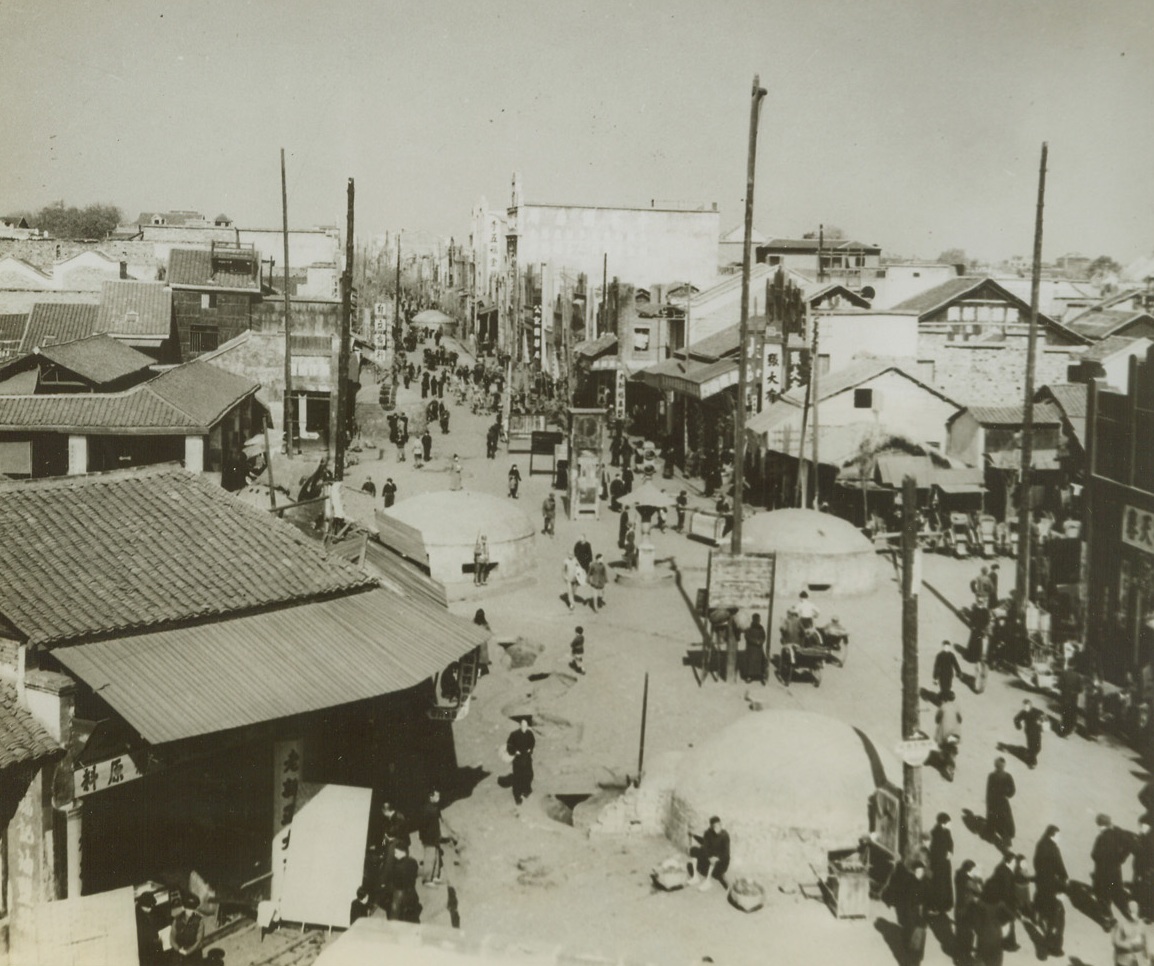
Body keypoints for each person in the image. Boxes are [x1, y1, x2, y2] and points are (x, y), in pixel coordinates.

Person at [1093, 813, 1134, 927]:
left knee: (1102, 895)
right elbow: (1129, 844)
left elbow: (1095, 855)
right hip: (1115, 871)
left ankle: (1108, 920)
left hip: (1102, 873)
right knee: (1118, 892)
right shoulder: (1117, 832)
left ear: (1101, 825)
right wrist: (1121, 858)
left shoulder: (1101, 838)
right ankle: (1129, 913)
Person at [1033, 825, 1068, 957]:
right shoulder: (1053, 849)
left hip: (1042, 885)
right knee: (1058, 919)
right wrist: (1064, 883)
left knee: (1049, 914)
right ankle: (1053, 947)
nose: (1059, 838)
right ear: (1053, 835)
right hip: (1053, 888)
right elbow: (1060, 867)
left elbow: (1036, 862)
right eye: (1058, 835)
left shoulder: (1040, 845)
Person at [887, 860, 929, 966]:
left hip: (920, 917)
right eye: (918, 871)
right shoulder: (909, 883)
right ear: (914, 872)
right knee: (910, 942)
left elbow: (927, 900)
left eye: (921, 871)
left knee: (918, 944)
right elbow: (906, 903)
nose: (920, 873)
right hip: (911, 916)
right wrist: (909, 920)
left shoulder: (925, 882)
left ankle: (916, 962)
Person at [982, 851, 1020, 952]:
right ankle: (1009, 944)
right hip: (1003, 902)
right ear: (1008, 863)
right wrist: (1012, 904)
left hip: (997, 900)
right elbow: (1007, 891)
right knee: (1007, 922)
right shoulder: (1007, 874)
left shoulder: (1001, 869)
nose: (1015, 865)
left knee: (1006, 923)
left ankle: (1009, 943)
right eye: (1014, 863)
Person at [418, 789, 457, 886]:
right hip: (429, 838)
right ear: (431, 797)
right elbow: (422, 825)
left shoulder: (434, 808)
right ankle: (427, 880)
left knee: (436, 857)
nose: (439, 798)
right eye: (437, 796)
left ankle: (434, 876)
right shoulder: (427, 809)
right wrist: (424, 837)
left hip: (434, 837)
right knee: (429, 858)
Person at [377, 800, 409, 909]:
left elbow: (397, 831)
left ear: (385, 811)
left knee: (390, 864)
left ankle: (384, 885)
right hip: (398, 842)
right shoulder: (395, 817)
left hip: (400, 844)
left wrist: (390, 837)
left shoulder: (398, 818)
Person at [688, 816, 731, 891]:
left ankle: (708, 881)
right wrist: (694, 836)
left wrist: (717, 858)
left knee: (713, 857)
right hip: (710, 860)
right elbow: (704, 843)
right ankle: (695, 877)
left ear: (721, 825)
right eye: (714, 826)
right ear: (711, 826)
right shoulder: (708, 833)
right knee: (693, 850)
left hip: (721, 863)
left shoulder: (725, 835)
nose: (717, 828)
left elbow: (726, 853)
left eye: (719, 825)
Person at [954, 860, 983, 965]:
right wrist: (979, 877)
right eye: (974, 869)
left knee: (961, 934)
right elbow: (980, 891)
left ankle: (960, 957)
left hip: (959, 908)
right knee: (967, 935)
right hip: (967, 910)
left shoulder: (959, 875)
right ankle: (965, 959)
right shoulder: (969, 882)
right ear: (969, 871)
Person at [985, 757, 1016, 851]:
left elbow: (988, 791)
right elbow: (1012, 791)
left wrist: (988, 803)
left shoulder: (991, 776)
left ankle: (990, 837)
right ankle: (1007, 845)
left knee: (993, 819)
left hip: (993, 802)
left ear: (995, 766)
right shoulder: (1007, 776)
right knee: (1005, 822)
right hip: (1003, 803)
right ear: (1003, 766)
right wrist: (1007, 794)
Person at [927, 813, 955, 916]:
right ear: (943, 824)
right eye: (949, 823)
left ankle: (945, 906)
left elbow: (950, 843)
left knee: (945, 885)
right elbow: (935, 851)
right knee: (939, 886)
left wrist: (950, 852)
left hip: (945, 864)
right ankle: (936, 907)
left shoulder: (947, 832)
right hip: (938, 865)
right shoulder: (935, 834)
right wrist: (944, 855)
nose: (950, 825)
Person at [386, 843, 421, 923]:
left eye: (396, 853)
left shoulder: (398, 866)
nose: (395, 855)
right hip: (412, 891)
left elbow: (395, 882)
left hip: (399, 893)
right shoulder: (413, 862)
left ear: (402, 852)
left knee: (394, 913)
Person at [506, 717, 535, 805]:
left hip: (527, 758)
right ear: (519, 725)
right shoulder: (514, 734)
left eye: (526, 726)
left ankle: (526, 791)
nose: (524, 727)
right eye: (523, 725)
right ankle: (517, 797)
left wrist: (530, 749)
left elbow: (533, 742)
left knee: (529, 775)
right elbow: (509, 745)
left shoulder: (529, 733)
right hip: (518, 760)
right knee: (518, 778)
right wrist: (515, 751)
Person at [935, 692, 963, 780]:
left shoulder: (943, 707)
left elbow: (937, 719)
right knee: (952, 748)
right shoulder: (956, 707)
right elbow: (960, 719)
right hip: (956, 734)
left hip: (946, 735)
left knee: (945, 746)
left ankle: (947, 767)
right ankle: (950, 768)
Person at [1112, 899, 1149, 966]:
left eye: (1135, 909)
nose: (1133, 911)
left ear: (1138, 910)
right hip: (1124, 960)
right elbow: (1116, 942)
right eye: (1131, 910)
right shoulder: (1121, 924)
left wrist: (1147, 958)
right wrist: (1129, 945)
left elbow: (1145, 943)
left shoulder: (1141, 925)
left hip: (1138, 960)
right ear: (1127, 911)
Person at [170, 895, 205, 962]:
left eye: (193, 909)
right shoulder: (176, 920)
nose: (191, 911)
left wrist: (188, 952)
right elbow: (172, 937)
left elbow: (198, 941)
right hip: (179, 951)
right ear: (183, 908)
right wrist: (178, 949)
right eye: (189, 909)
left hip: (194, 952)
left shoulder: (199, 921)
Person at [1013, 698, 1046, 769]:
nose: (1025, 708)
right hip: (1029, 732)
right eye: (1024, 706)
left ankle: (1030, 754)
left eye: (1027, 706)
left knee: (1038, 748)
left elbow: (1043, 717)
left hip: (1037, 732)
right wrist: (1018, 726)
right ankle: (1032, 762)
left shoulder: (1037, 712)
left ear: (1030, 706)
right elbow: (1016, 719)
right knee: (1032, 747)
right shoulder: (1023, 713)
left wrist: (1042, 723)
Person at [135, 892, 163, 966]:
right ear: (143, 905)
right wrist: (156, 941)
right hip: (146, 951)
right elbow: (143, 938)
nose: (150, 909)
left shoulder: (143, 911)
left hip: (151, 945)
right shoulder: (138, 917)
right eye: (149, 907)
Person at [1134, 814, 1153, 923]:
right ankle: (1145, 913)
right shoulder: (1145, 836)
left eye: (1142, 826)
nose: (1140, 828)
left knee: (1148, 891)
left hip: (1148, 870)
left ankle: (1149, 915)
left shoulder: (1150, 839)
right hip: (1144, 869)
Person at [743, 613, 768, 685]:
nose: (758, 621)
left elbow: (764, 636)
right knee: (750, 662)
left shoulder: (761, 627)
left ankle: (761, 676)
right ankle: (749, 677)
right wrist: (755, 641)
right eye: (757, 619)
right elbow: (747, 637)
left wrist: (761, 641)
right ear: (753, 619)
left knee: (761, 661)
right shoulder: (749, 627)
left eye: (759, 619)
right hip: (751, 648)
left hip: (759, 648)